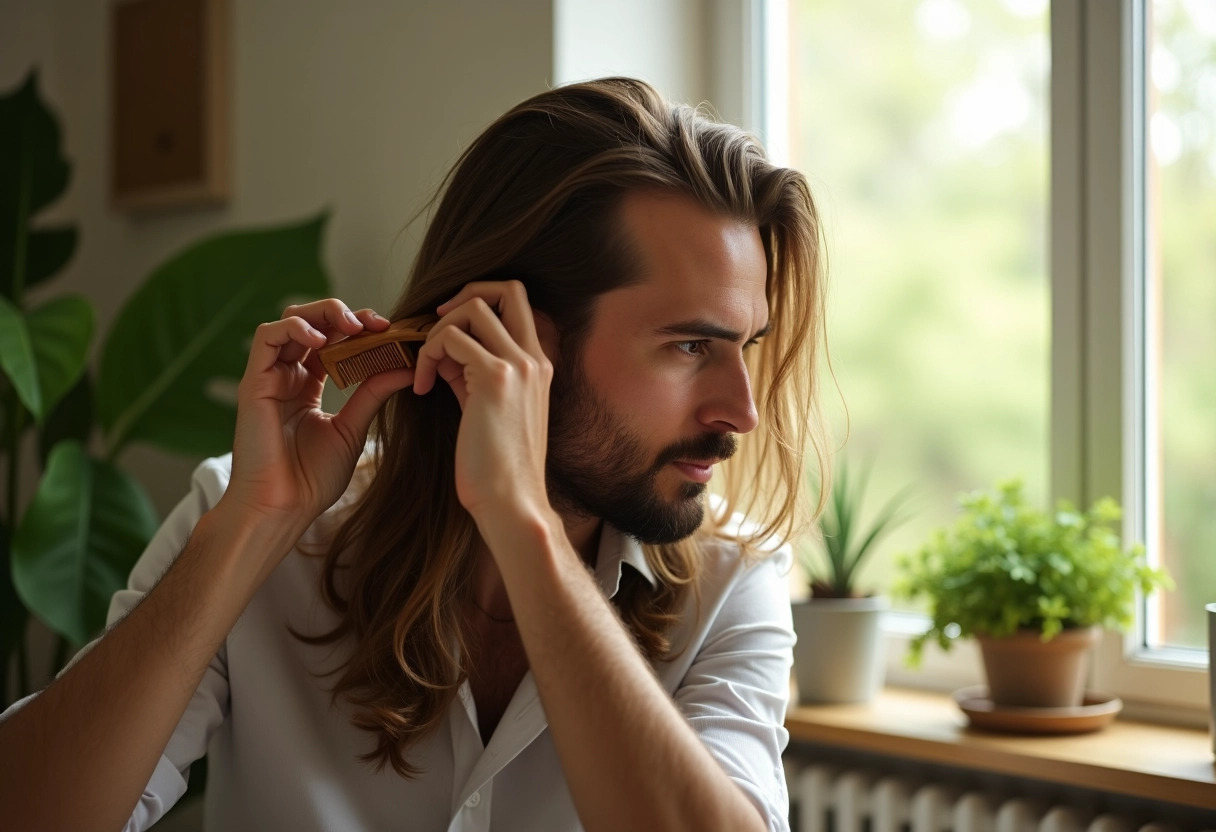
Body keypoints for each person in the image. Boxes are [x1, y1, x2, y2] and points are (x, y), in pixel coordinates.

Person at [0, 77, 827, 832]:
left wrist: (522, 523)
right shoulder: (245, 520)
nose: (741, 411)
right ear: (505, 331)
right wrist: (254, 524)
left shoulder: (733, 580)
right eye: (689, 347)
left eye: (742, 346)